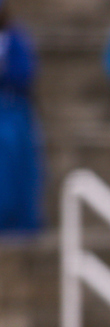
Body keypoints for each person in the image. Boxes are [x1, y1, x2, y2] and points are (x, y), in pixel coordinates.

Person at [0, 0, 43, 233]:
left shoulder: (14, 38)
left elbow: (26, 72)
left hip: (12, 110)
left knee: (17, 167)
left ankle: (20, 223)